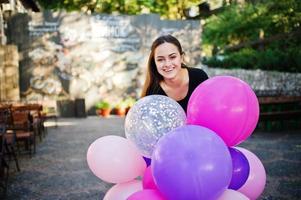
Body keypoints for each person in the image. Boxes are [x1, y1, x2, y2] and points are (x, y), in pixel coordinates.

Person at [141, 35, 209, 112]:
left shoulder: (199, 77)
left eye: (172, 57)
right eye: (160, 59)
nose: (167, 64)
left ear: (181, 58)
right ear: (155, 63)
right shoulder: (152, 93)